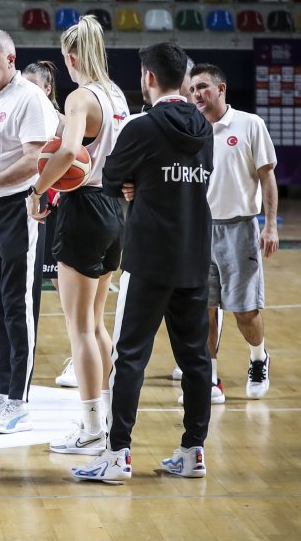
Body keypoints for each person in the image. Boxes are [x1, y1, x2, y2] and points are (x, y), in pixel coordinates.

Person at [72, 42, 214, 484]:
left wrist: (137, 183)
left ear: (149, 78)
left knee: (130, 355)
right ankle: (193, 451)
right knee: (196, 359)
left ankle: (118, 456)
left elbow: (111, 178)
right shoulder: (205, 127)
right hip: (195, 254)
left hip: (150, 257)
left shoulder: (141, 126)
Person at [30, 16, 128, 456]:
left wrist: (38, 189)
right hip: (114, 208)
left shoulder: (79, 97)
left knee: (79, 328)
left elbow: (70, 151)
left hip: (84, 207)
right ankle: (104, 417)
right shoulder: (117, 95)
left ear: (71, 57)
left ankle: (90, 428)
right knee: (96, 322)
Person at [0, 30, 58, 434]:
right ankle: (3, 387)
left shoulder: (30, 98)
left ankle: (19, 399)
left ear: (11, 59)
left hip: (17, 208)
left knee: (16, 305)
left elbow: (33, 161)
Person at [183, 63, 278, 401]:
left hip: (240, 229)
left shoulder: (250, 125)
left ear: (221, 90)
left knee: (245, 311)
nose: (197, 94)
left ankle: (258, 358)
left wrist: (269, 225)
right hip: (198, 230)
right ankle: (209, 378)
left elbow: (267, 176)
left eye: (203, 87)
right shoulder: (190, 129)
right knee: (204, 310)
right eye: (193, 89)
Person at [20, 61, 77, 389]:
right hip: (22, 206)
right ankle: (15, 360)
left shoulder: (62, 121)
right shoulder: (18, 118)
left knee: (63, 290)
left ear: (46, 89)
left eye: (32, 85)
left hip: (52, 208)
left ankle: (76, 359)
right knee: (21, 289)